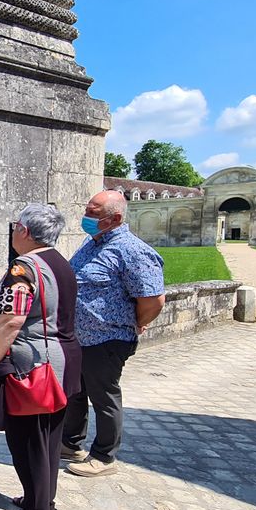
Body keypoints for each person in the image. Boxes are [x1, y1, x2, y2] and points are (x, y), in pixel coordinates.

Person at [0, 203, 81, 510]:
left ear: (24, 230)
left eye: (14, 226)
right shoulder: (60, 263)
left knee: (29, 443)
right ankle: (42, 501)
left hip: (34, 367)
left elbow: (11, 320)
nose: (12, 232)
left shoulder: (23, 268)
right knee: (48, 441)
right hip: (63, 361)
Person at [63, 190, 165, 478]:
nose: (86, 217)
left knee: (103, 396)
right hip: (80, 337)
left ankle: (104, 456)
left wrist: (136, 322)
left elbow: (153, 299)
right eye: (87, 210)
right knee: (76, 393)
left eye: (94, 214)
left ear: (115, 218)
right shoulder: (91, 243)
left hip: (107, 339)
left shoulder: (133, 251)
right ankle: (70, 444)